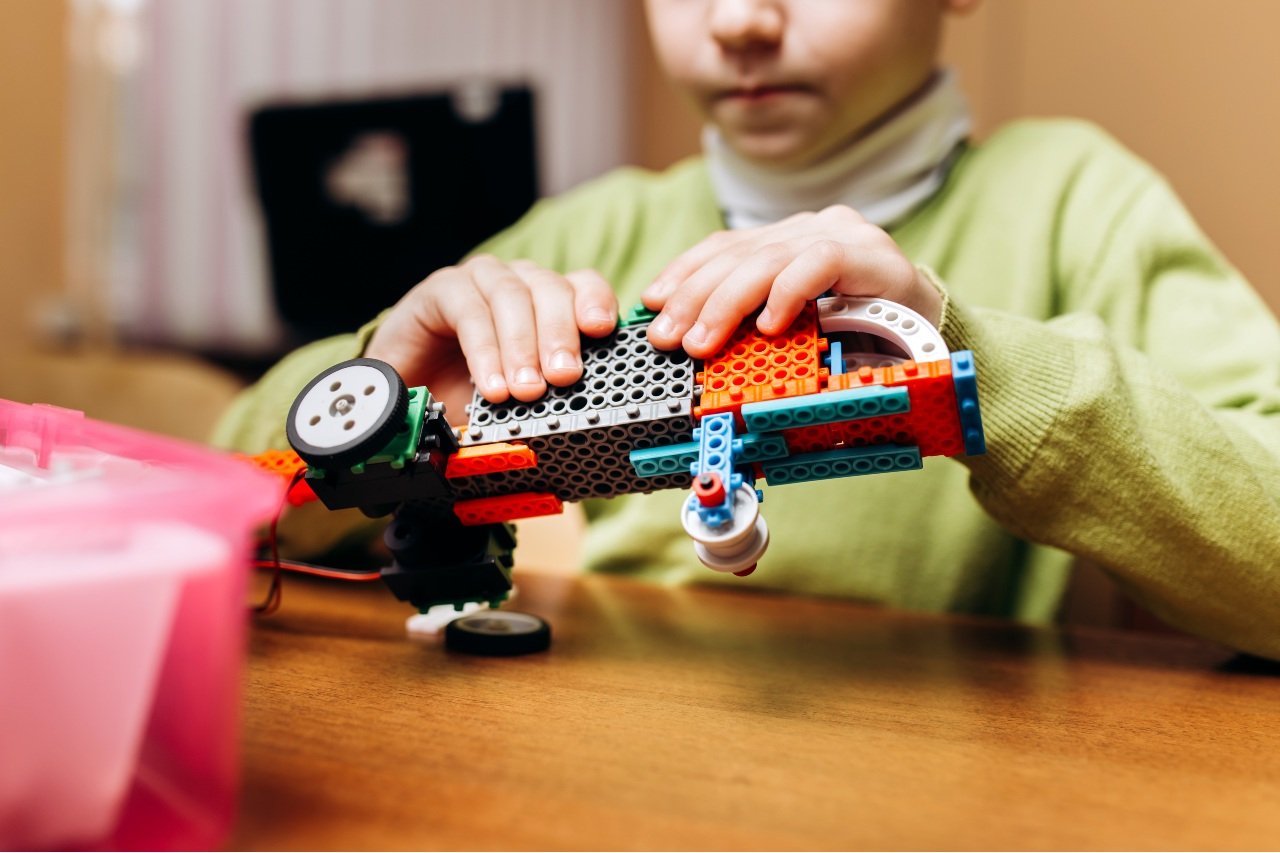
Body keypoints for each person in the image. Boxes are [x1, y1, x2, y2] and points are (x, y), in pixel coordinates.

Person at [215, 0, 1280, 658]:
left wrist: (969, 360)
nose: (736, 19)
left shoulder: (1074, 201)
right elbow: (194, 509)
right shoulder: (600, 224)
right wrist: (372, 397)